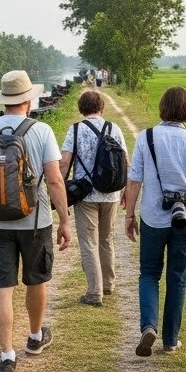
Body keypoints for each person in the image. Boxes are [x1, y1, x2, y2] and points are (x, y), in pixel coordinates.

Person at [0, 70, 72, 372]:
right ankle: (36, 337)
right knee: (36, 280)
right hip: (35, 222)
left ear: (4, 100)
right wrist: (64, 220)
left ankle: (6, 356)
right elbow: (54, 180)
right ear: (28, 99)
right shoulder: (41, 131)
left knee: (3, 287)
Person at [122, 86, 186, 356]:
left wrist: (129, 215)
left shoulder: (145, 137)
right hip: (185, 219)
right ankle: (171, 340)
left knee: (149, 273)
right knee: (177, 278)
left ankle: (148, 326)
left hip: (152, 216)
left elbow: (135, 178)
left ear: (162, 108)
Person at [61, 90, 129, 305]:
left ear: (81, 109)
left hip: (85, 194)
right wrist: (125, 191)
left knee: (89, 242)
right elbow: (125, 162)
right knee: (106, 239)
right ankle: (108, 284)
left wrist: (60, 191)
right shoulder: (114, 128)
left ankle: (94, 292)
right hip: (112, 194)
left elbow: (64, 163)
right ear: (102, 107)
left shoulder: (75, 130)